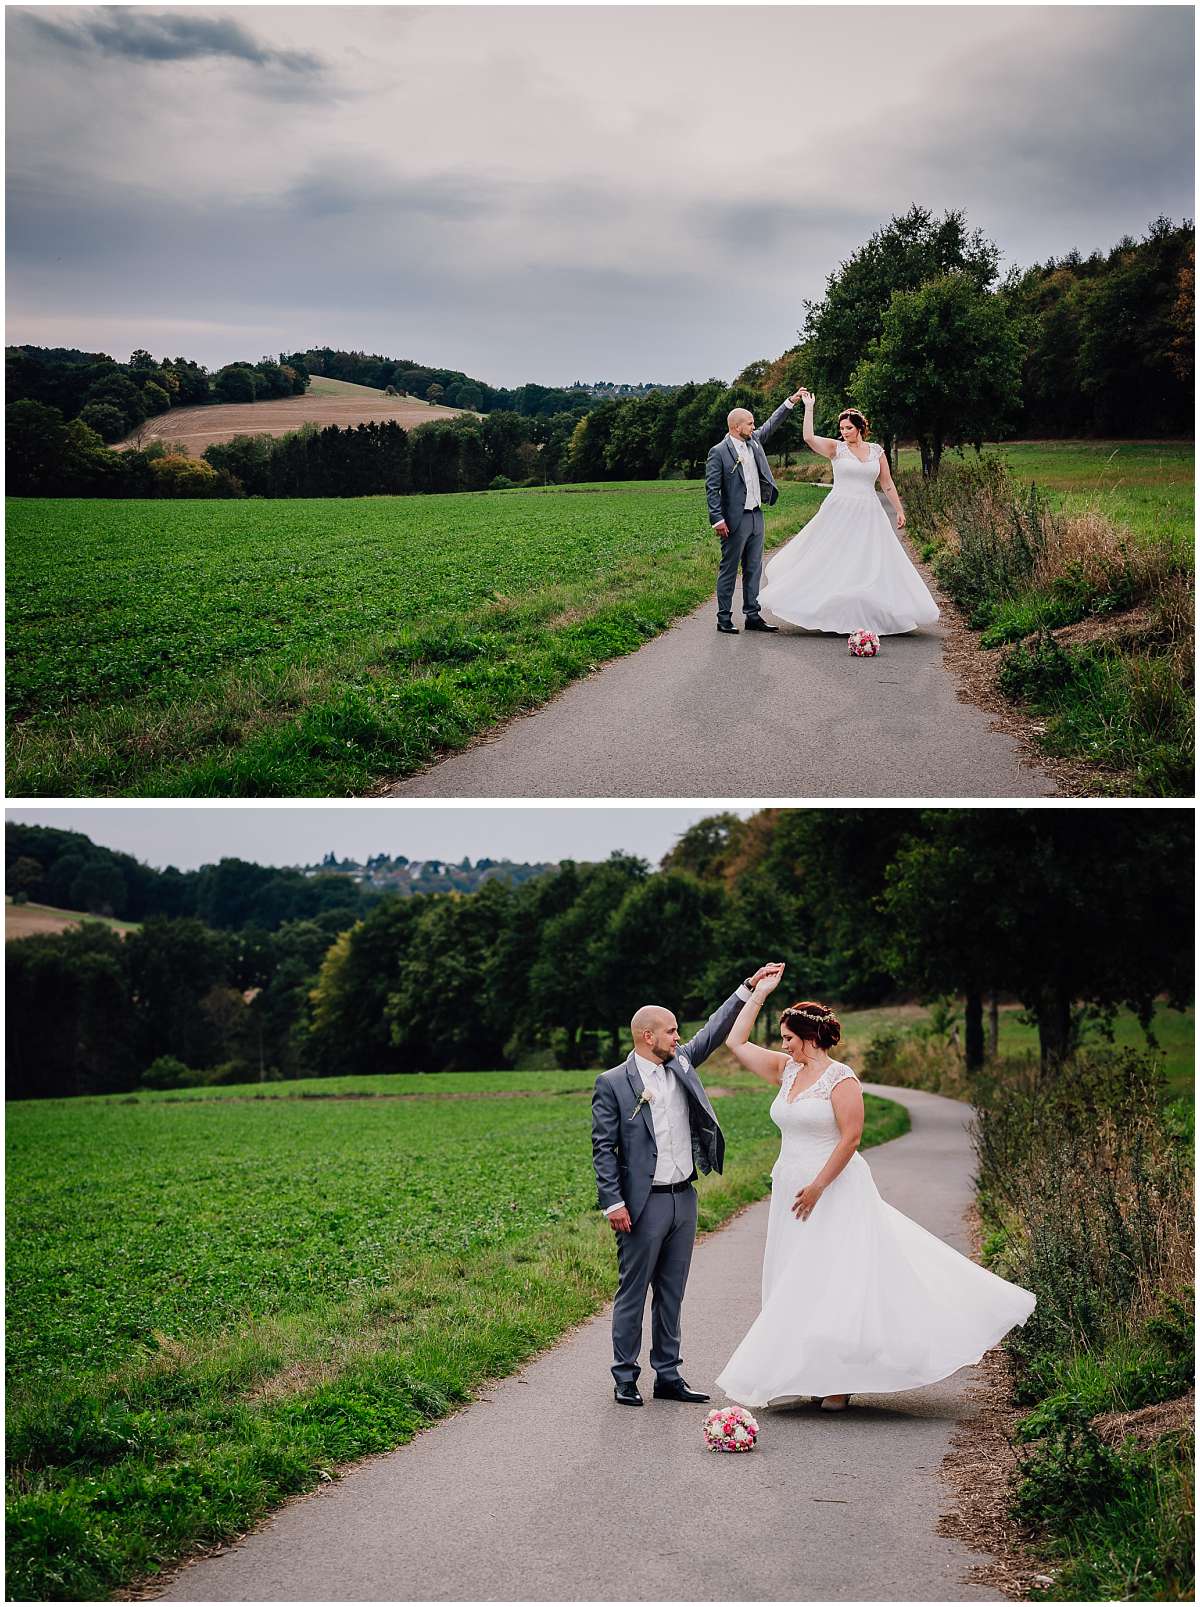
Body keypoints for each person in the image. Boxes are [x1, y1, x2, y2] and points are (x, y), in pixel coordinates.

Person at [714, 972, 1035, 1411]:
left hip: (831, 1188)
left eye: (789, 1038)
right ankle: (810, 1369)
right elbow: (735, 1042)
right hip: (790, 1185)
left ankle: (839, 1381)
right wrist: (758, 995)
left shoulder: (840, 1078)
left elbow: (851, 1137)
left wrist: (818, 1188)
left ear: (810, 1038)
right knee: (795, 1278)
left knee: (837, 1278)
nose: (783, 1045)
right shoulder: (786, 1072)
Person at [592, 963, 785, 1406]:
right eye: (671, 1030)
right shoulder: (614, 1084)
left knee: (673, 1292)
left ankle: (668, 1375)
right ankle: (624, 1376)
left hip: (684, 1197)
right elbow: (604, 1148)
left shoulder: (680, 1061)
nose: (678, 1037)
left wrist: (748, 988)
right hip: (642, 1205)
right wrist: (613, 1202)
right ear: (647, 1036)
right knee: (633, 1291)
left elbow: (714, 1032)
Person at [757, 390, 940, 637]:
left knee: (868, 561)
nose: (843, 432)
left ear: (860, 428)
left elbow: (886, 483)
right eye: (841, 428)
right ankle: (830, 610)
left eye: (848, 428)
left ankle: (868, 613)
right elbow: (809, 438)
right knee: (833, 558)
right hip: (840, 510)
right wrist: (808, 408)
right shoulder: (836, 449)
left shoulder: (877, 451)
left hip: (869, 511)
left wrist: (899, 510)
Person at [706, 394, 804, 635]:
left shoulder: (754, 442)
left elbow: (772, 423)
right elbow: (712, 488)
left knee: (754, 567)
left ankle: (752, 615)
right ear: (736, 426)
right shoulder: (718, 452)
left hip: (756, 515)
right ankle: (724, 618)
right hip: (733, 520)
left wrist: (790, 402)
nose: (754, 426)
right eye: (749, 423)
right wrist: (717, 519)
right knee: (729, 569)